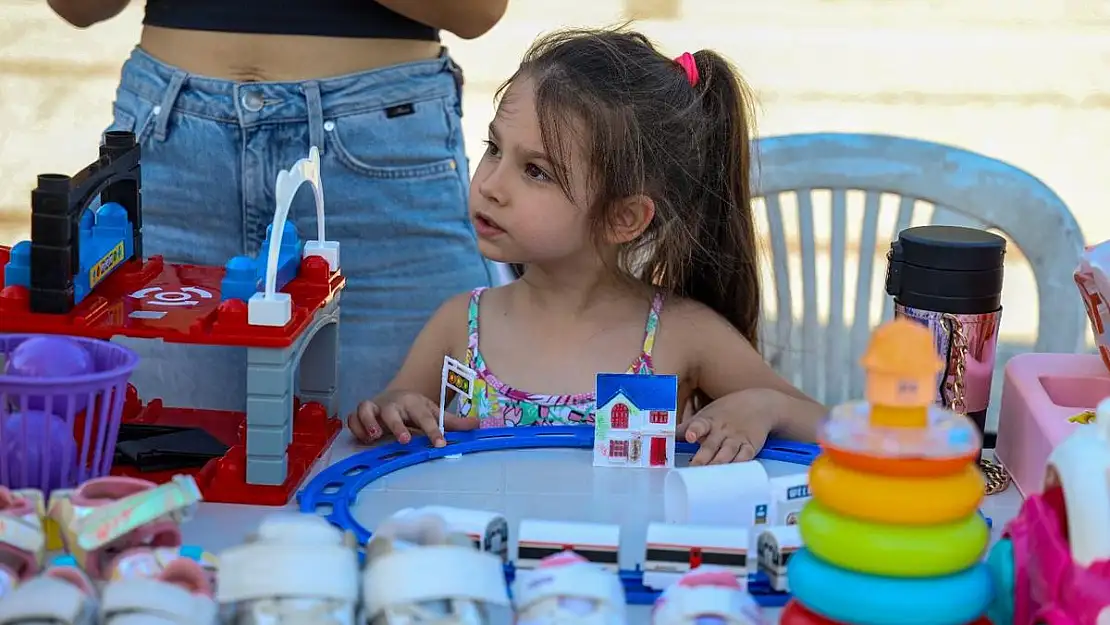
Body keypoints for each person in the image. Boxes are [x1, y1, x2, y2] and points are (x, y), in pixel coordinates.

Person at [347, 27, 827, 465]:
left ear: (623, 218)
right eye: (494, 148)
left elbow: (840, 430)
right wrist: (391, 411)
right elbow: (395, 416)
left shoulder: (683, 335)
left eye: (536, 171)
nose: (491, 184)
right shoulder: (459, 323)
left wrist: (768, 406)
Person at [46, 0, 505, 413]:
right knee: (160, 490)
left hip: (374, 155)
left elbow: (477, 11)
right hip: (174, 152)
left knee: (400, 483)